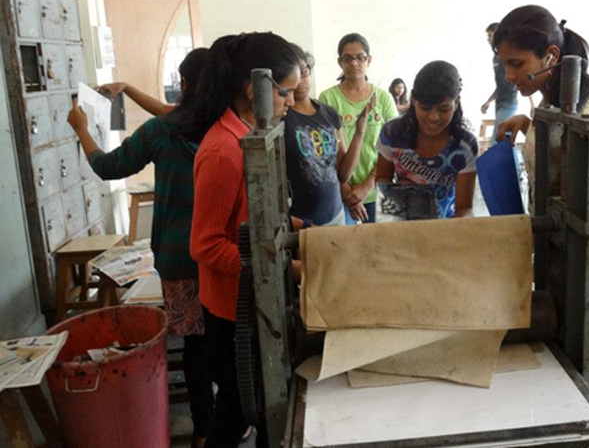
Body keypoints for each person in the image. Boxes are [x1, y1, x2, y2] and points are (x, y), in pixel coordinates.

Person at [67, 48, 213, 448]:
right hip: (224, 255)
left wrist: (82, 129)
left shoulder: (160, 132)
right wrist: (129, 89)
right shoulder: (228, 127)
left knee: (194, 343)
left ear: (184, 83)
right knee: (226, 339)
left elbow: (108, 167)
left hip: (179, 257)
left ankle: (203, 432)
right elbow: (172, 111)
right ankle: (236, 422)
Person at [189, 32, 301, 447]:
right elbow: (204, 245)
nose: (292, 101)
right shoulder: (224, 150)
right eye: (286, 91)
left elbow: (252, 213)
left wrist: (296, 228)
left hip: (255, 300)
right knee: (236, 414)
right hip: (231, 311)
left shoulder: (252, 136)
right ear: (255, 89)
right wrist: (275, 266)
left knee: (259, 406)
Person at [492, 5, 589, 206]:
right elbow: (554, 150)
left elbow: (578, 190)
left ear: (551, 55)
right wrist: (526, 124)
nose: (508, 75)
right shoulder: (549, 98)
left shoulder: (579, 110)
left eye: (516, 64)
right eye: (504, 65)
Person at [376, 60, 477, 219]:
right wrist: (395, 194)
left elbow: (464, 208)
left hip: (445, 225)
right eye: (425, 108)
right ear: (413, 101)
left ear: (456, 103)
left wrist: (463, 227)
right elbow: (382, 178)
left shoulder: (464, 146)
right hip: (401, 221)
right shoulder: (392, 133)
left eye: (444, 109)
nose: (434, 117)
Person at [283, 43, 369, 226]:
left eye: (304, 72)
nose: (300, 81)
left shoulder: (329, 114)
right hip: (300, 221)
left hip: (335, 215)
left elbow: (343, 174)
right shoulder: (282, 117)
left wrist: (360, 131)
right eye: (293, 75)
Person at [318, 33, 398, 224]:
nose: (354, 63)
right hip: (341, 192)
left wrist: (367, 186)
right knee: (345, 241)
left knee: (385, 240)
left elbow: (395, 147)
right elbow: (324, 152)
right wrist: (347, 192)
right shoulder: (328, 99)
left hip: (378, 189)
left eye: (360, 57)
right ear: (340, 62)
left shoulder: (383, 98)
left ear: (368, 60)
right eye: (347, 58)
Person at [481, 22, 519, 141]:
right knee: (503, 140)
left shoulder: (509, 57)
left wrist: (532, 104)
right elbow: (501, 85)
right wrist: (489, 101)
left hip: (509, 102)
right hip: (500, 102)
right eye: (487, 36)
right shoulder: (496, 58)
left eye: (490, 36)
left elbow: (510, 83)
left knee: (498, 140)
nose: (488, 39)